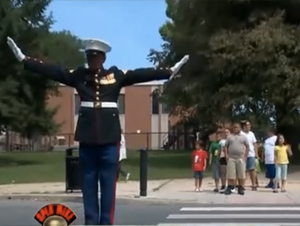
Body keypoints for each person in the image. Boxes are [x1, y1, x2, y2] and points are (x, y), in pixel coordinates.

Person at [6, 37, 189, 225]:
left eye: (95, 58)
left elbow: (141, 75)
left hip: (110, 140)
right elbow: (54, 71)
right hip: (87, 140)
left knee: (108, 187)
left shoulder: (115, 75)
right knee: (88, 185)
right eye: (89, 57)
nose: (91, 61)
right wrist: (24, 59)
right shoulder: (79, 75)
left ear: (103, 59)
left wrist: (168, 72)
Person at [224, 122, 249, 195]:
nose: (235, 129)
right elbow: (226, 146)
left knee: (241, 174)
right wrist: (226, 155)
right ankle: (230, 187)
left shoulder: (243, 137)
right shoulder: (230, 137)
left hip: (240, 158)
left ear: (240, 128)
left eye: (237, 127)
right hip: (231, 158)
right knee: (230, 174)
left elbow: (247, 146)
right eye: (234, 127)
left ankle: (240, 187)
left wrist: (245, 156)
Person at [241, 120, 258, 190]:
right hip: (243, 155)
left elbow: (255, 144)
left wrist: (256, 153)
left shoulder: (252, 134)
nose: (249, 127)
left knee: (252, 170)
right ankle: (242, 185)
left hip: (251, 154)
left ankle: (253, 184)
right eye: (247, 125)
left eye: (249, 125)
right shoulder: (241, 134)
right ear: (244, 126)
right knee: (243, 170)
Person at [219, 128, 230, 193]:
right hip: (223, 157)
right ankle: (223, 184)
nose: (226, 134)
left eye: (227, 132)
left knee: (230, 173)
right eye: (225, 132)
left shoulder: (231, 140)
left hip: (229, 157)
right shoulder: (221, 141)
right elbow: (220, 150)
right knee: (223, 172)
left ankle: (230, 185)